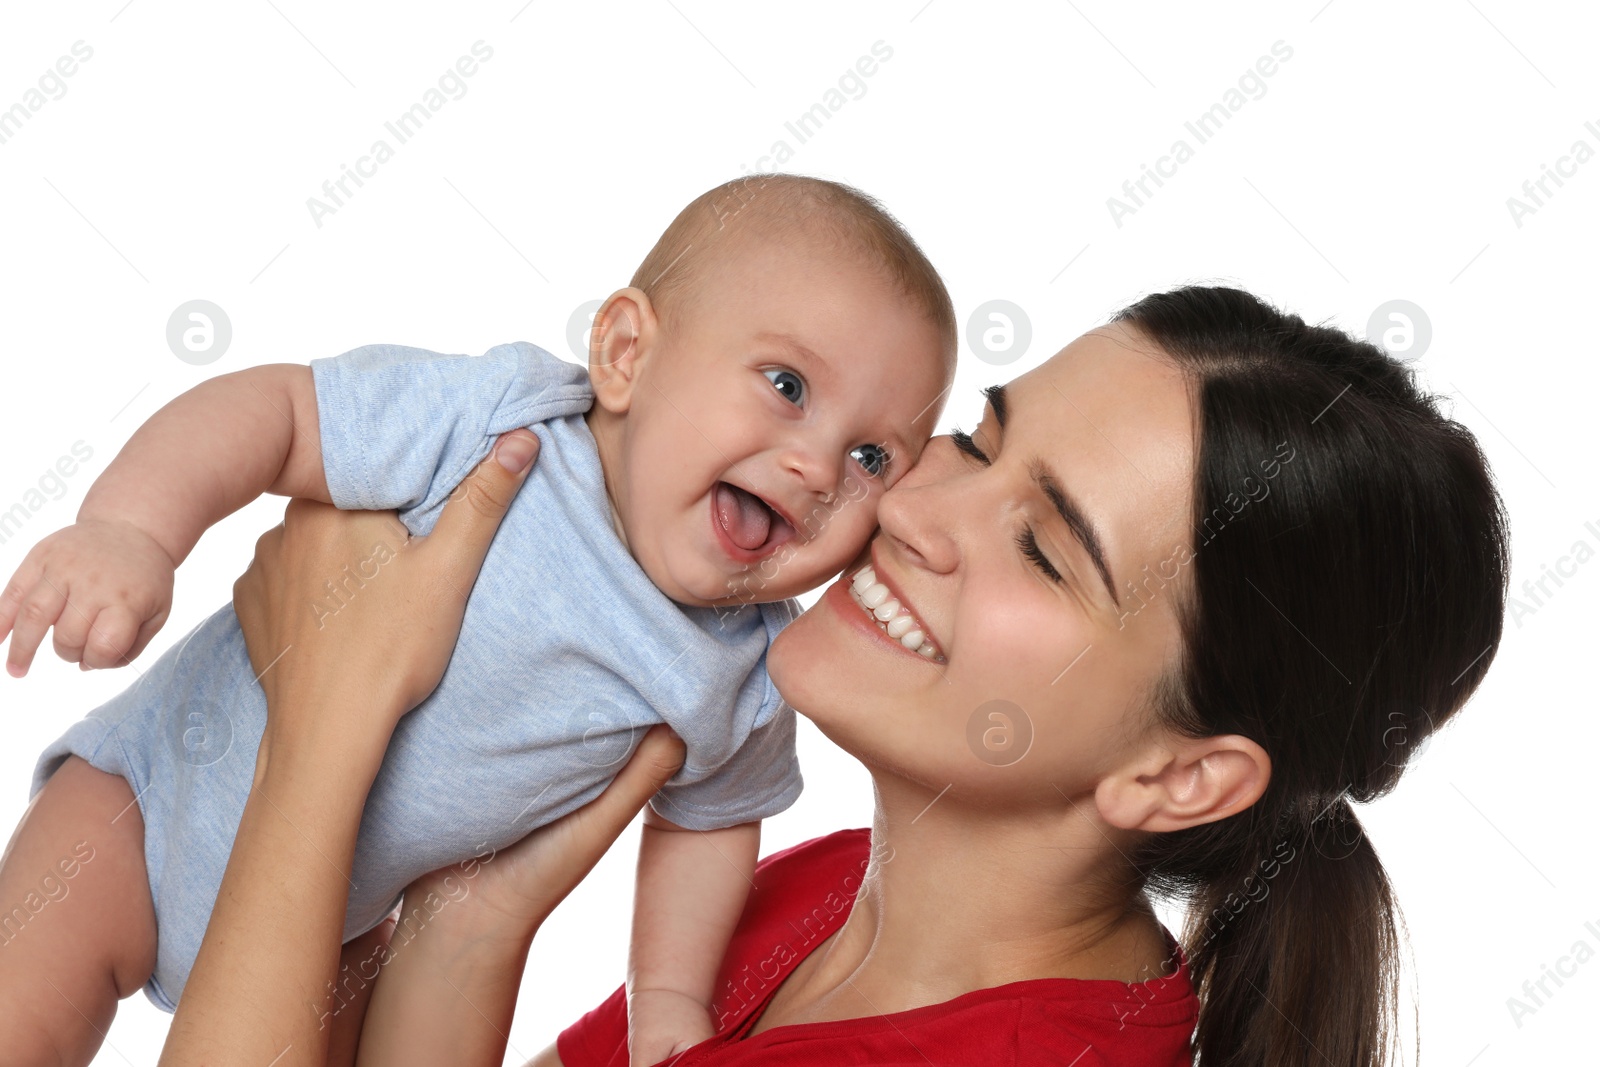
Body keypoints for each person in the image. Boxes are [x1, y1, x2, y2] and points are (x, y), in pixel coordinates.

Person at [171, 285, 1509, 1067]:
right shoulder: (823, 896)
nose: (920, 506)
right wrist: (475, 917)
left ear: (1181, 771)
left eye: (1043, 551)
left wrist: (326, 733)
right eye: (979, 442)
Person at [0, 176, 957, 1065]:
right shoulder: (506, 419)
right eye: (786, 386)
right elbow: (285, 411)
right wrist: (130, 529)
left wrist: (667, 995)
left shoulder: (746, 673)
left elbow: (709, 826)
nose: (820, 468)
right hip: (137, 807)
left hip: (337, 930)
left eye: (874, 456)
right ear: (627, 353)